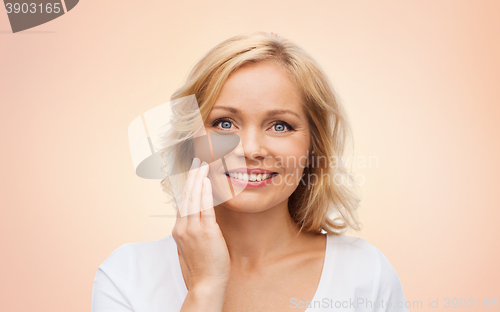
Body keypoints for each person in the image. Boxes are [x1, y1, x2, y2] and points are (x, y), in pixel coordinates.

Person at [91, 31, 409, 312]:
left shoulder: (366, 274)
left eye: (280, 125)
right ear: (190, 141)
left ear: (313, 146)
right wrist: (205, 287)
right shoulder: (126, 277)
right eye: (224, 123)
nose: (251, 148)